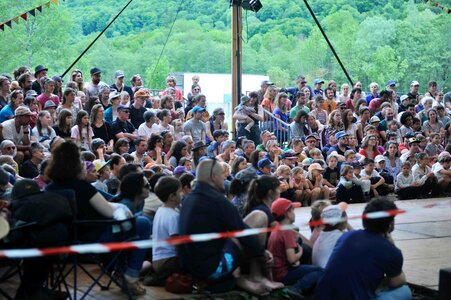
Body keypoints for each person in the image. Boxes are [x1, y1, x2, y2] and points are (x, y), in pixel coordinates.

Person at [179, 159, 280, 295]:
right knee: (259, 218)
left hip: (193, 268)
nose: (225, 177)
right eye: (222, 174)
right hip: (213, 270)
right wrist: (262, 253)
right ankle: (255, 277)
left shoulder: (189, 198)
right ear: (213, 177)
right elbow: (242, 232)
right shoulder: (217, 200)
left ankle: (246, 278)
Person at [316, 198, 412, 300]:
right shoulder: (391, 251)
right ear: (389, 224)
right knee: (404, 291)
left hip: (321, 295)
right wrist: (392, 246)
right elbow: (396, 282)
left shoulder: (346, 236)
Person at [268, 198, 322, 298]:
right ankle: (297, 288)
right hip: (283, 274)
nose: (294, 212)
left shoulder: (277, 228)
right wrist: (300, 252)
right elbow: (291, 258)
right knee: (320, 271)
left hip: (276, 272)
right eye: (292, 210)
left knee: (310, 268)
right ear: (287, 214)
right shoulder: (287, 231)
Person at [144, 177, 182, 285]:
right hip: (167, 261)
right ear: (172, 197)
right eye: (180, 192)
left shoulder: (160, 210)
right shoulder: (173, 216)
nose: (182, 194)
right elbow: (177, 243)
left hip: (156, 259)